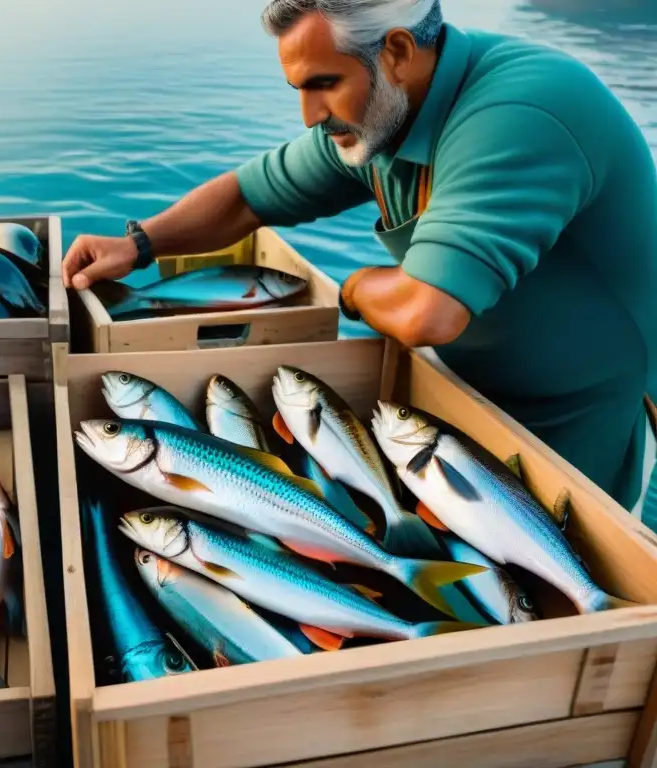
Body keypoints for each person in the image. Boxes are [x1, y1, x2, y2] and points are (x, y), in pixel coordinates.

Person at [60, 0, 657, 524]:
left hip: (578, 427)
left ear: (397, 50)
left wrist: (355, 290)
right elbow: (248, 195)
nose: (310, 115)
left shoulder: (521, 113)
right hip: (460, 405)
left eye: (323, 82)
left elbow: (428, 313)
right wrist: (138, 245)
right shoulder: (387, 111)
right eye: (299, 88)